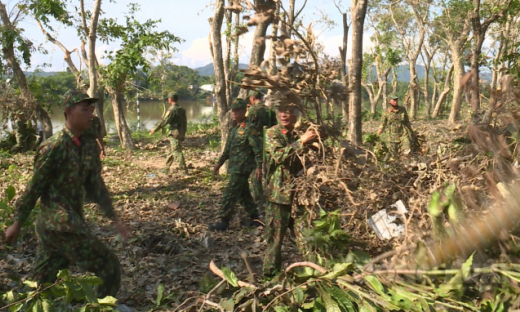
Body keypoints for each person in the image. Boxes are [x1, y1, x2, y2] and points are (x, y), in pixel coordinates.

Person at [4, 89, 130, 298]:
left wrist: (114, 219)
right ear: (69, 112)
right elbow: (35, 186)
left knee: (42, 285)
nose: (91, 114)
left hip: (66, 223)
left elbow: (96, 186)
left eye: (92, 110)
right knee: (109, 266)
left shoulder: (88, 146)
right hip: (59, 224)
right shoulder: (54, 146)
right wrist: (18, 221)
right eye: (85, 109)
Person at [262, 103, 318, 277]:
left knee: (305, 237)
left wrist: (314, 138)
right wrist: (302, 141)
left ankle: (313, 273)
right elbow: (280, 155)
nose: (284, 114)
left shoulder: (298, 133)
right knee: (275, 239)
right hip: (279, 196)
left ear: (295, 114)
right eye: (280, 111)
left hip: (299, 195)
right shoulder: (273, 133)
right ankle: (270, 276)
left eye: (288, 111)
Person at [209, 99, 263, 231]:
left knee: (230, 193)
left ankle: (224, 221)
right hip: (234, 167)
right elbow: (227, 149)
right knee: (244, 194)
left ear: (244, 111)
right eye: (233, 110)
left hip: (243, 168)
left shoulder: (249, 128)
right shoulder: (234, 129)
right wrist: (219, 164)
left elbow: (257, 149)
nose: (235, 112)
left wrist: (259, 166)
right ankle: (255, 217)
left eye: (238, 110)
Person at [246, 93, 278, 209]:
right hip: (269, 143)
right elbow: (275, 127)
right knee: (269, 170)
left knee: (256, 171)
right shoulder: (270, 111)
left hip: (256, 143)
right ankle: (271, 194)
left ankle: (259, 198)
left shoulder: (253, 110)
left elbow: (248, 128)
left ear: (252, 98)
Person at [151, 93, 188, 174]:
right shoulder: (181, 109)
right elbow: (185, 123)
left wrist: (155, 129)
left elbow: (165, 121)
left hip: (174, 133)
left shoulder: (172, 110)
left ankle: (183, 170)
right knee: (171, 151)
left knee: (176, 151)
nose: (168, 100)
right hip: (180, 132)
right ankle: (166, 168)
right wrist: (183, 133)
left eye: (168, 98)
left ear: (170, 99)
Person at [377, 94, 414, 160]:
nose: (395, 101)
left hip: (403, 135)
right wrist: (377, 136)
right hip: (391, 137)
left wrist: (412, 132)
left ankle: (406, 166)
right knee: (392, 156)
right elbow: (382, 125)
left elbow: (407, 122)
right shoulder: (386, 112)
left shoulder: (402, 110)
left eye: (396, 100)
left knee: (406, 152)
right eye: (393, 100)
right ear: (389, 101)